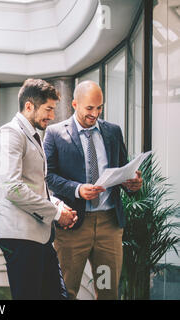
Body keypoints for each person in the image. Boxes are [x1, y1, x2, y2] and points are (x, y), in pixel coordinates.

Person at [43, 80, 143, 300]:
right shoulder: (55, 133)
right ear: (75, 104)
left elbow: (122, 169)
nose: (95, 114)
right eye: (89, 108)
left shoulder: (113, 132)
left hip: (109, 227)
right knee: (67, 291)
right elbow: (47, 176)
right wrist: (78, 189)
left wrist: (131, 184)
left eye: (99, 108)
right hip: (72, 227)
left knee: (107, 290)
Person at [0, 78, 77, 300]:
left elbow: (33, 185)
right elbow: (12, 188)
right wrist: (56, 214)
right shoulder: (10, 134)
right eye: (48, 109)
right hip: (20, 236)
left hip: (37, 235)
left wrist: (57, 204)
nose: (52, 116)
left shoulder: (31, 135)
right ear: (29, 106)